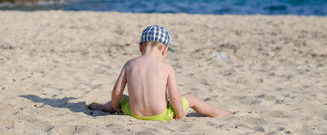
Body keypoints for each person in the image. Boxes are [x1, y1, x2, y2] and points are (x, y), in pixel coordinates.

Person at [89, 25, 231, 121]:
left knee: (121, 98)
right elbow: (174, 97)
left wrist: (115, 107)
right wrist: (180, 115)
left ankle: (102, 108)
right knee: (191, 98)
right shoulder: (167, 68)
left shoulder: (130, 64)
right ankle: (217, 112)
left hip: (133, 112)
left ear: (140, 46)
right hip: (161, 114)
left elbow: (117, 91)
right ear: (164, 50)